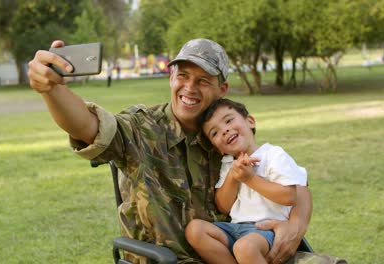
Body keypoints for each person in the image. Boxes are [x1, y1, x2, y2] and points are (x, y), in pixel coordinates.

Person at [27, 38, 312, 264]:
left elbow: (293, 183)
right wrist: (52, 90)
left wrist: (297, 224)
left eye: (203, 80)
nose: (190, 87)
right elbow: (88, 127)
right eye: (183, 75)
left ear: (222, 88)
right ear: (171, 77)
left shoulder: (225, 135)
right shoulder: (141, 127)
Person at [185, 98, 307, 264]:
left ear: (250, 121)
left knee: (245, 248)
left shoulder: (273, 155)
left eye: (229, 120)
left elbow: (289, 196)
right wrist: (233, 177)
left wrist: (249, 179)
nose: (224, 130)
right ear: (218, 149)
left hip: (265, 229)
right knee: (195, 230)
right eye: (215, 132)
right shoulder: (228, 165)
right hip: (235, 228)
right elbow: (223, 206)